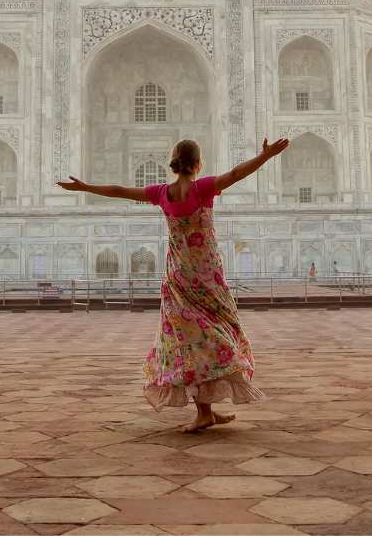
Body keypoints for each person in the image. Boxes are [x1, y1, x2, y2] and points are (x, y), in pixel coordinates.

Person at [58, 136, 289, 433]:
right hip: (206, 275)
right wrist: (265, 156)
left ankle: (206, 409)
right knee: (215, 334)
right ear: (197, 163)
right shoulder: (202, 188)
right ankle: (205, 409)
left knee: (188, 340)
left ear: (175, 164)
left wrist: (85, 187)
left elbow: (119, 191)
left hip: (178, 276)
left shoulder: (162, 193)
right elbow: (235, 174)